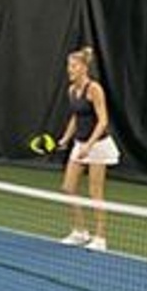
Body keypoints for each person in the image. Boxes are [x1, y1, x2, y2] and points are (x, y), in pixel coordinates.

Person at [57, 46, 120, 250]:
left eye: (74, 66)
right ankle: (80, 231)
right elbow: (76, 116)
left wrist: (90, 146)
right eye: (69, 66)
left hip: (98, 145)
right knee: (67, 188)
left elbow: (103, 121)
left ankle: (100, 238)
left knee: (95, 192)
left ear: (84, 68)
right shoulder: (72, 90)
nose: (70, 70)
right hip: (80, 144)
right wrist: (66, 139)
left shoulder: (94, 89)